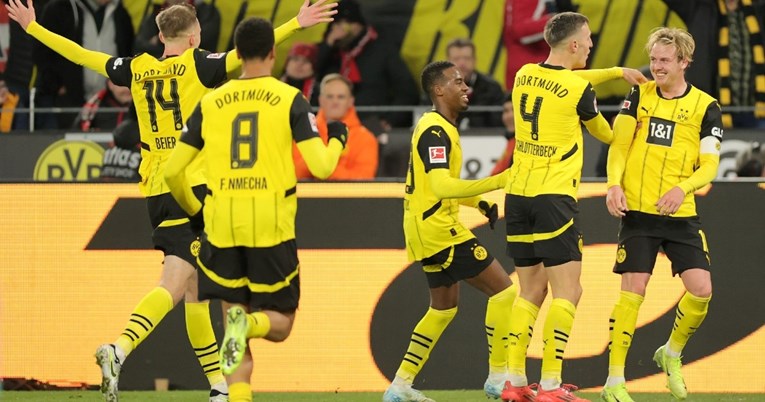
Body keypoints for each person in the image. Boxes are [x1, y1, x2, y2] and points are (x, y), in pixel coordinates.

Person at [5, 1, 336, 401]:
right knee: (176, 281)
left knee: (195, 291)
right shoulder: (199, 64)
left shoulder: (138, 67)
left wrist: (34, 28)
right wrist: (296, 23)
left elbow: (81, 54)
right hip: (191, 187)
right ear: (194, 37)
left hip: (155, 189)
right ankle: (119, 349)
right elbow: (243, 56)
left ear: (161, 36)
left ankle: (218, 387)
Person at [163, 17, 347, 402]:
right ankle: (247, 325)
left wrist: (196, 210)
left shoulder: (210, 102)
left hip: (221, 226)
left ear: (238, 53)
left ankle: (239, 365)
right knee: (279, 325)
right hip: (269, 226)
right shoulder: (289, 98)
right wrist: (338, 140)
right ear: (273, 52)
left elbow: (172, 171)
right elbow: (321, 167)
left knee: (233, 321)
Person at [501, 12, 622, 402]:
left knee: (529, 291)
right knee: (568, 290)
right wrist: (632, 121)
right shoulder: (577, 90)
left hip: (517, 198)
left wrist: (616, 72)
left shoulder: (523, 75)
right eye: (587, 39)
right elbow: (607, 134)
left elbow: (565, 80)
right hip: (553, 199)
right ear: (573, 44)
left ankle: (514, 382)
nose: (590, 45)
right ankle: (551, 385)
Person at [600, 27, 722, 402]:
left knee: (701, 291)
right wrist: (613, 184)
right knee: (632, 292)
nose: (657, 67)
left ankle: (670, 353)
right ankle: (614, 381)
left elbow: (710, 166)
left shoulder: (706, 107)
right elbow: (619, 145)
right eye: (653, 59)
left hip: (680, 212)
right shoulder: (639, 94)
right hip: (638, 211)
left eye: (665, 60)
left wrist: (682, 188)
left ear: (684, 62)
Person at [382, 60, 515, 402]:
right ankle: (498, 378)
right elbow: (442, 186)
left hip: (424, 227)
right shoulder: (435, 131)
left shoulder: (439, 128)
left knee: (442, 308)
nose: (466, 87)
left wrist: (478, 202)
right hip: (438, 229)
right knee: (504, 292)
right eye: (457, 82)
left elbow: (435, 186)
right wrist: (499, 180)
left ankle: (400, 385)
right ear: (439, 90)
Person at [314, 0, 419, 130]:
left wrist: (390, 121)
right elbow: (310, 77)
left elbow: (407, 90)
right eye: (336, 24)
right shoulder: (331, 52)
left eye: (347, 23)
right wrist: (328, 43)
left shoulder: (381, 49)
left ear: (359, 25)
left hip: (370, 124)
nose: (340, 29)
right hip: (331, 125)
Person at [33, 0, 134, 129]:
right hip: (66, 102)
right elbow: (41, 51)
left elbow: (128, 51)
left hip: (108, 103)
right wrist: (57, 85)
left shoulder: (120, 13)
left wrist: (121, 83)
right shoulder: (60, 8)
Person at [293, 73, 378, 180]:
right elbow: (293, 173)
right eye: (330, 96)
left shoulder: (365, 139)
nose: (335, 102)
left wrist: (320, 162)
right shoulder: (302, 132)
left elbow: (364, 179)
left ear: (350, 101)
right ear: (320, 100)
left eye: (341, 97)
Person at [445, 37, 505, 129]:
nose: (462, 63)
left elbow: (498, 126)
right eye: (456, 59)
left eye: (467, 58)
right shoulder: (438, 89)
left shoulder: (492, 88)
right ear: (448, 62)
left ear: (474, 60)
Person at [133, 0, 220, 57]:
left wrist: (159, 41)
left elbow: (204, 44)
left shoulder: (207, 12)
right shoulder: (155, 13)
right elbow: (140, 48)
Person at [490, 93, 516, 174]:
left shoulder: (525, 147)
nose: (510, 116)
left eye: (514, 110)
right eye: (506, 111)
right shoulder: (511, 142)